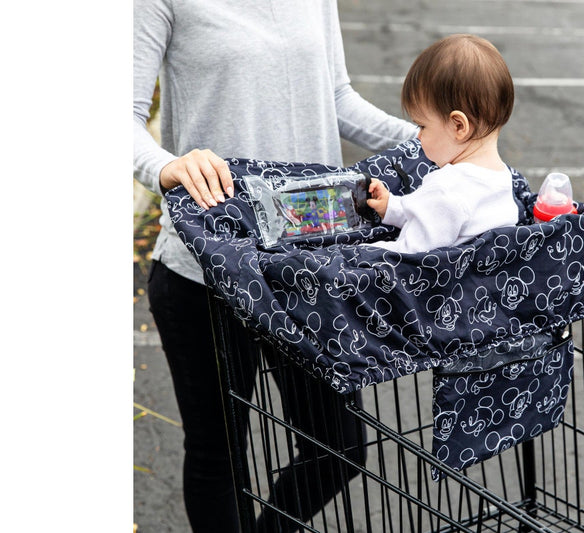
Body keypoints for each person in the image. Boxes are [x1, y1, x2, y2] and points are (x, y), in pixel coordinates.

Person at [133, 1, 418, 532]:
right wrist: (167, 165)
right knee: (221, 460)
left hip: (308, 270)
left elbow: (335, 97)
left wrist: (437, 147)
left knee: (338, 446)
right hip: (206, 272)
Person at [365, 34, 519, 254]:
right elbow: (432, 219)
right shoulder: (500, 178)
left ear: (459, 126)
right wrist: (392, 206)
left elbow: (408, 255)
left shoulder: (447, 189)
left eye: (422, 126)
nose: (417, 137)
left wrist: (359, 251)